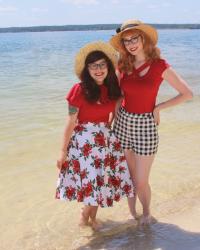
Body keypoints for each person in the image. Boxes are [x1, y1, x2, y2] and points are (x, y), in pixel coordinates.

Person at [109, 19, 193, 225]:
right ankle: (132, 214)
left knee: (141, 180)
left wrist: (158, 108)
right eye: (126, 40)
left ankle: (147, 213)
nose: (130, 43)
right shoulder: (123, 64)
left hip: (146, 125)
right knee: (128, 176)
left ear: (144, 38)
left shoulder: (160, 66)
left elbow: (187, 94)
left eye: (134, 38)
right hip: (122, 124)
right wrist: (109, 121)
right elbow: (118, 96)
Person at [55, 41, 134, 230]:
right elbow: (70, 122)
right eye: (93, 66)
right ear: (87, 69)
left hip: (105, 141)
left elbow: (115, 112)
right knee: (92, 184)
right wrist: (62, 151)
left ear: (108, 67)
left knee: (101, 182)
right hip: (84, 144)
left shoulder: (112, 90)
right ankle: (83, 220)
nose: (98, 69)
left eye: (102, 65)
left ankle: (91, 220)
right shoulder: (79, 89)